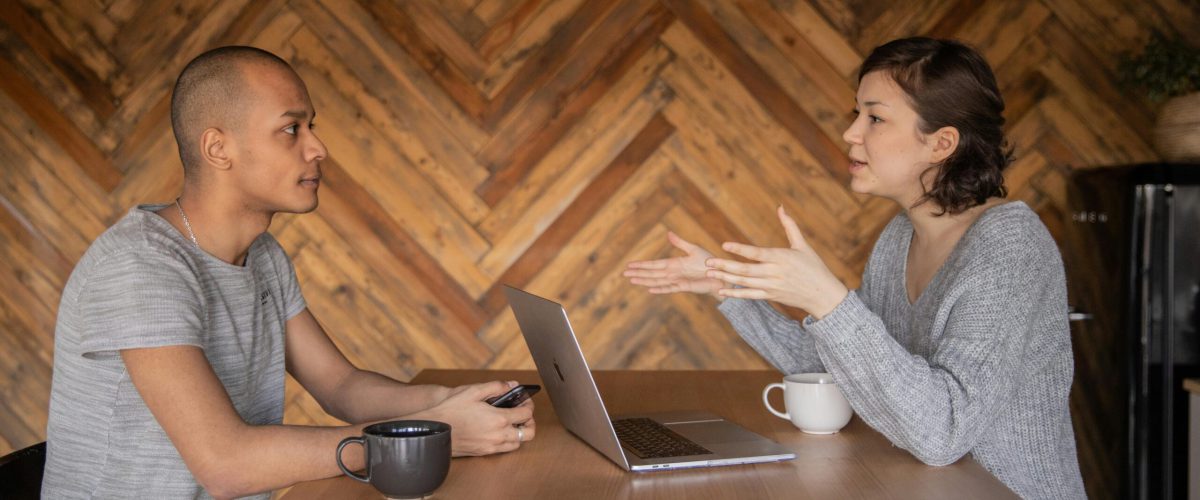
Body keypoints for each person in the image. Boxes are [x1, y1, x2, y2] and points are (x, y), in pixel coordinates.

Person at [41, 46, 536, 499]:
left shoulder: (264, 257)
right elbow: (225, 463)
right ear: (218, 149)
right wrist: (427, 435)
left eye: (311, 127)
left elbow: (340, 386)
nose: (317, 148)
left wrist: (448, 401)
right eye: (291, 129)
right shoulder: (140, 267)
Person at [625, 37, 1085, 499]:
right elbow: (843, 368)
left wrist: (828, 301)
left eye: (875, 117)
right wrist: (724, 287)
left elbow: (944, 433)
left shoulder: (1010, 247)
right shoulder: (897, 240)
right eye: (856, 114)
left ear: (942, 143)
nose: (851, 132)